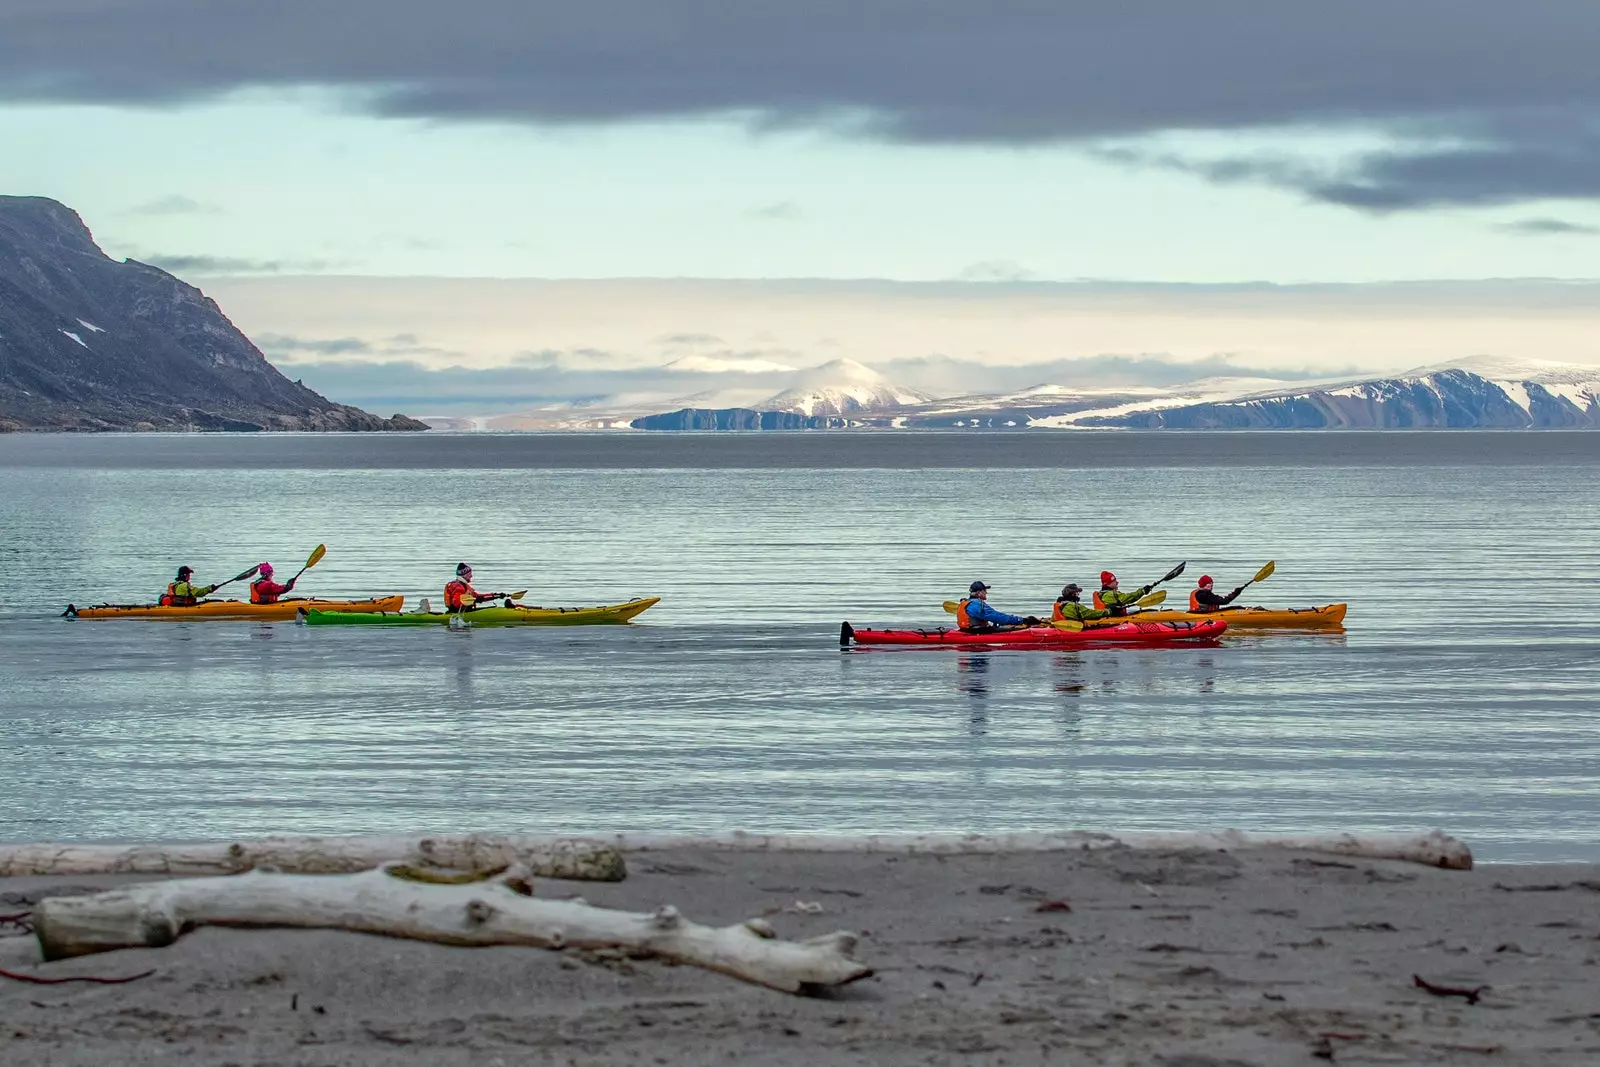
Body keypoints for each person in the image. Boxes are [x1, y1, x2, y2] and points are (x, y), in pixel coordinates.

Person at [956, 581, 1040, 631]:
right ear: (979, 593)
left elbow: (993, 616)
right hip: (976, 632)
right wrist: (1021, 620)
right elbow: (997, 617)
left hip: (969, 630)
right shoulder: (976, 605)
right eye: (985, 590)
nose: (986, 592)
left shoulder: (968, 602)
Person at [443, 563, 509, 612]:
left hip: (466, 612)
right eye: (469, 574)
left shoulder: (464, 586)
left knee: (493, 608)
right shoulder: (458, 587)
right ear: (464, 574)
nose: (471, 576)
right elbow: (457, 604)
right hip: (458, 614)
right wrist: (475, 599)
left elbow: (478, 596)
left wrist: (496, 595)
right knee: (495, 610)